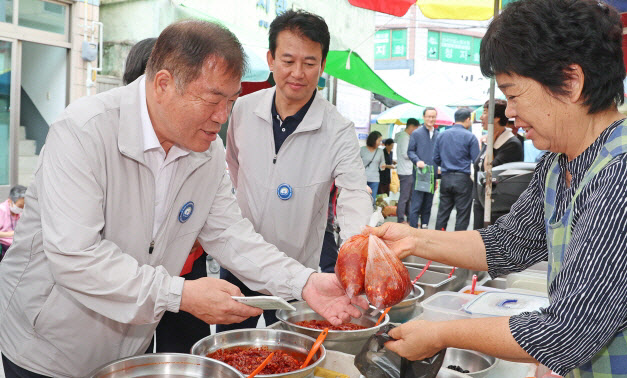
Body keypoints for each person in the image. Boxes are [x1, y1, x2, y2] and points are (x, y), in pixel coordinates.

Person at [0, 20, 367, 377]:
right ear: (163, 84)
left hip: (130, 347)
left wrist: (305, 282)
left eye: (232, 100)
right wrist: (180, 295)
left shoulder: (205, 152)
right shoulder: (83, 132)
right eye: (213, 100)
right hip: (46, 347)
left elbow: (231, 235)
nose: (223, 117)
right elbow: (75, 256)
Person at [366, 0, 627, 376]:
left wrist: (441, 335)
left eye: (513, 94)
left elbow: (568, 333)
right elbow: (508, 245)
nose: (508, 112)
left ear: (571, 82)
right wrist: (411, 239)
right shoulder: (560, 159)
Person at [223, 10, 372, 332]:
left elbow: (354, 192)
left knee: (288, 349)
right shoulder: (244, 109)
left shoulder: (338, 128)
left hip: (299, 270)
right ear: (271, 59)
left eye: (309, 63)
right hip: (240, 259)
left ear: (322, 64)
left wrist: (356, 247)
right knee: (233, 347)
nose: (298, 73)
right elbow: (233, 167)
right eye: (288, 60)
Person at [122, 37, 211, 355]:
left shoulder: (199, 144)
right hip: (129, 285)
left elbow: (224, 223)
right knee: (135, 356)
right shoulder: (98, 137)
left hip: (186, 273)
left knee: (184, 353)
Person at [473, 99, 523, 229]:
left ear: (495, 118)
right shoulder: (490, 139)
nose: (481, 117)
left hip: (497, 208)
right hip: (481, 202)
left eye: (484, 113)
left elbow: (489, 171)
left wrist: (490, 144)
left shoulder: (511, 144)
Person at [433, 108, 479, 231]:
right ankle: (457, 241)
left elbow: (435, 158)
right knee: (462, 214)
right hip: (463, 179)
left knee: (443, 212)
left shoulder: (441, 135)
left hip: (446, 178)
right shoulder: (470, 137)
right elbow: (476, 161)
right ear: (468, 119)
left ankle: (439, 238)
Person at [408, 108, 439, 228]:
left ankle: (425, 227)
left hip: (432, 174)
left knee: (428, 203)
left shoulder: (438, 134)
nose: (431, 119)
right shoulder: (416, 133)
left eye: (433, 117)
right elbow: (410, 151)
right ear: (423, 117)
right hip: (420, 173)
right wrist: (417, 161)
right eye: (428, 116)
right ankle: (413, 228)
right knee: (416, 203)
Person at [395, 118, 420, 224]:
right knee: (405, 197)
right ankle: (401, 219)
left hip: (406, 170)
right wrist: (416, 155)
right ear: (411, 127)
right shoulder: (405, 138)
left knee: (408, 196)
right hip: (406, 171)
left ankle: (410, 219)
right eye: (416, 129)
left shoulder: (404, 136)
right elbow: (406, 154)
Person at [0, 185, 26, 257]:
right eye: (20, 206)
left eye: (24, 206)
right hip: (4, 247)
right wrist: (11, 234)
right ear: (10, 201)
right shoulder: (1, 210)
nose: (22, 208)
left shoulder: (19, 213)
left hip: (16, 245)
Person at [360, 130, 385, 203]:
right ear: (373, 140)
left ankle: (370, 214)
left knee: (372, 200)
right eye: (379, 141)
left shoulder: (380, 151)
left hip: (375, 179)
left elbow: (382, 163)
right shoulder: (362, 150)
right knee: (361, 199)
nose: (380, 143)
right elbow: (356, 164)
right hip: (362, 178)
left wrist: (383, 166)